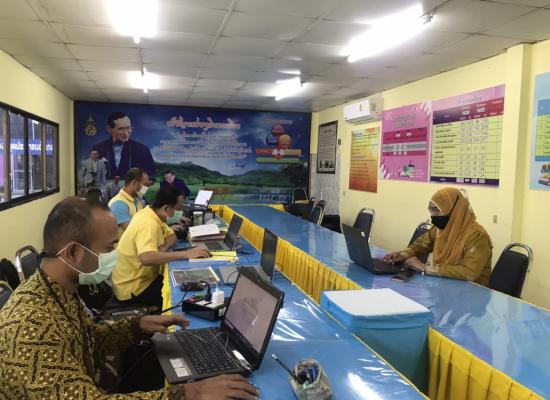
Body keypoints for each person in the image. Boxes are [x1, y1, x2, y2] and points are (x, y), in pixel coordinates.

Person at [0, 197, 259, 399]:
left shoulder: (60, 289)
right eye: (109, 247)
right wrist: (188, 394)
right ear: (74, 253)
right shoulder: (31, 326)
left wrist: (136, 327)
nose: (115, 253)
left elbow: (85, 341)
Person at [112, 187, 210, 309]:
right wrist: (186, 253)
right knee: (183, 300)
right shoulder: (148, 223)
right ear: (166, 208)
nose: (179, 213)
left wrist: (163, 247)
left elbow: (172, 236)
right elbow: (146, 258)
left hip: (145, 279)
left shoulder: (153, 214)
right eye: (178, 209)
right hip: (133, 287)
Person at [384, 187, 493, 286]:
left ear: (454, 210)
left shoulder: (477, 236)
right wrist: (402, 255)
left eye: (437, 210)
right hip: (445, 285)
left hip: (472, 292)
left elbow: (469, 273)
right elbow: (420, 246)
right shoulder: (440, 229)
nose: (433, 215)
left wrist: (426, 268)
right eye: (431, 210)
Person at [93, 112, 156, 180]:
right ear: (109, 129)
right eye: (121, 129)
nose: (126, 133)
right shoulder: (98, 149)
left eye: (128, 128)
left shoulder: (143, 150)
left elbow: (150, 177)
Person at [108, 168, 149, 239]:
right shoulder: (118, 204)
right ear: (134, 183)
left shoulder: (137, 201)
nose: (146, 188)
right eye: (145, 185)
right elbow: (133, 232)